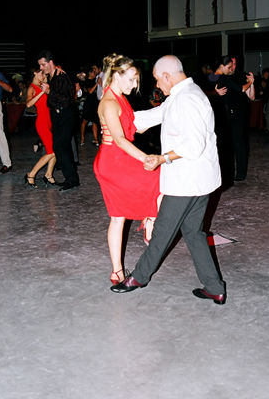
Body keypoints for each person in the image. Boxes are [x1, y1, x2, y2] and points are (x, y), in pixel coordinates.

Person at [110, 55, 226, 305]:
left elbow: (193, 145)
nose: (156, 85)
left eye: (156, 79)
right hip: (199, 181)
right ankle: (215, 287)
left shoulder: (187, 99)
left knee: (161, 233)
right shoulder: (182, 94)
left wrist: (161, 159)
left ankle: (138, 278)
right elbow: (154, 116)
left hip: (186, 181)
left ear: (166, 76)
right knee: (193, 232)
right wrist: (118, 121)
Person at [93, 53, 162, 285]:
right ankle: (150, 220)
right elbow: (120, 139)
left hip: (119, 159)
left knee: (118, 217)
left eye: (136, 80)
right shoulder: (109, 102)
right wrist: (146, 158)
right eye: (131, 79)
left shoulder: (120, 98)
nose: (134, 85)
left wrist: (165, 114)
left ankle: (117, 272)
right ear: (116, 75)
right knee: (158, 178)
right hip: (113, 163)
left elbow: (134, 127)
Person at [39, 50, 80, 191]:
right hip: (56, 115)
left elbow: (66, 99)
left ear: (50, 62)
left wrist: (49, 91)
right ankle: (71, 179)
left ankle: (72, 179)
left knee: (59, 147)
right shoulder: (52, 76)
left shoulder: (62, 77)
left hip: (65, 114)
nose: (41, 68)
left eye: (43, 64)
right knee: (62, 147)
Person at [216, 55, 255, 182]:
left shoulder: (242, 76)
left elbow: (251, 97)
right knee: (225, 145)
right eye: (230, 64)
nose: (232, 67)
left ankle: (241, 173)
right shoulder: (221, 76)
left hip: (239, 114)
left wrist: (251, 83)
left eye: (234, 64)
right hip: (224, 115)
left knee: (239, 144)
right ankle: (226, 173)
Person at [24, 69, 58, 188]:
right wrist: (41, 93)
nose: (43, 76)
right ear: (34, 74)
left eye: (44, 74)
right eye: (41, 74)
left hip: (50, 121)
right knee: (52, 151)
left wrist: (46, 89)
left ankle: (48, 174)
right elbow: (28, 104)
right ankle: (31, 174)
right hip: (42, 122)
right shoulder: (32, 88)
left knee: (55, 149)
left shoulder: (44, 86)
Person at [79, 67, 101, 147]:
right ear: (90, 73)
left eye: (95, 72)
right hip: (88, 104)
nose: (94, 74)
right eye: (93, 72)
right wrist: (97, 84)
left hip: (95, 103)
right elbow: (90, 91)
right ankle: (82, 138)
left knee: (95, 122)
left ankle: (96, 139)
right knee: (85, 121)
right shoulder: (87, 81)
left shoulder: (95, 80)